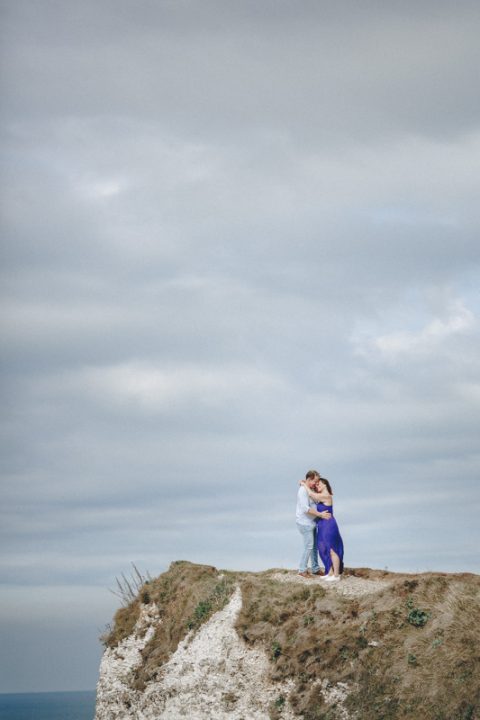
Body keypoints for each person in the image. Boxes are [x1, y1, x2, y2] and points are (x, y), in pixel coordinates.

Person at [301, 475, 344, 582]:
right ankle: (329, 572)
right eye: (315, 484)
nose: (317, 486)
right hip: (322, 525)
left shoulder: (326, 496)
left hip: (329, 525)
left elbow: (311, 494)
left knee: (332, 549)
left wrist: (304, 485)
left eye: (318, 484)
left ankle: (336, 575)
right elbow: (311, 496)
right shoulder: (320, 495)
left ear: (325, 484)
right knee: (323, 548)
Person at [296, 470, 332, 578]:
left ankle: (315, 569)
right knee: (309, 546)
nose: (316, 484)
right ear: (309, 479)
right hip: (304, 523)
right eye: (315, 481)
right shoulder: (302, 490)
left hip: (312, 523)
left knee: (314, 546)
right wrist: (320, 514)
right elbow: (305, 509)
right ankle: (302, 570)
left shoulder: (310, 489)